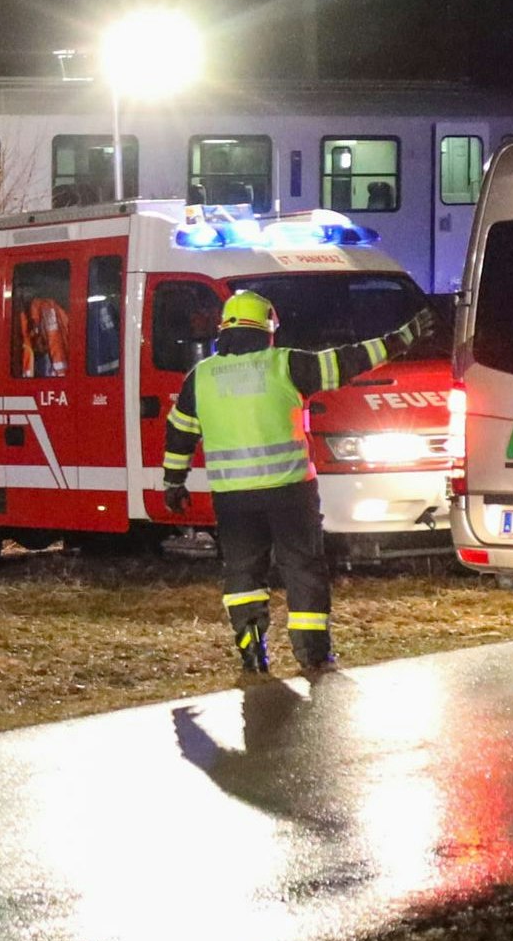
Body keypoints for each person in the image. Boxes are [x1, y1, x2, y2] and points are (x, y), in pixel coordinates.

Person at [159, 290, 428, 676]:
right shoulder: (284, 365)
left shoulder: (200, 378)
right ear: (267, 328)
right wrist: (400, 340)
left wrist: (174, 482)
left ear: (224, 329)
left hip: (233, 500)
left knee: (242, 572)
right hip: (290, 492)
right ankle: (312, 654)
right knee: (302, 569)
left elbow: (179, 432)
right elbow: (346, 361)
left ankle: (252, 650)